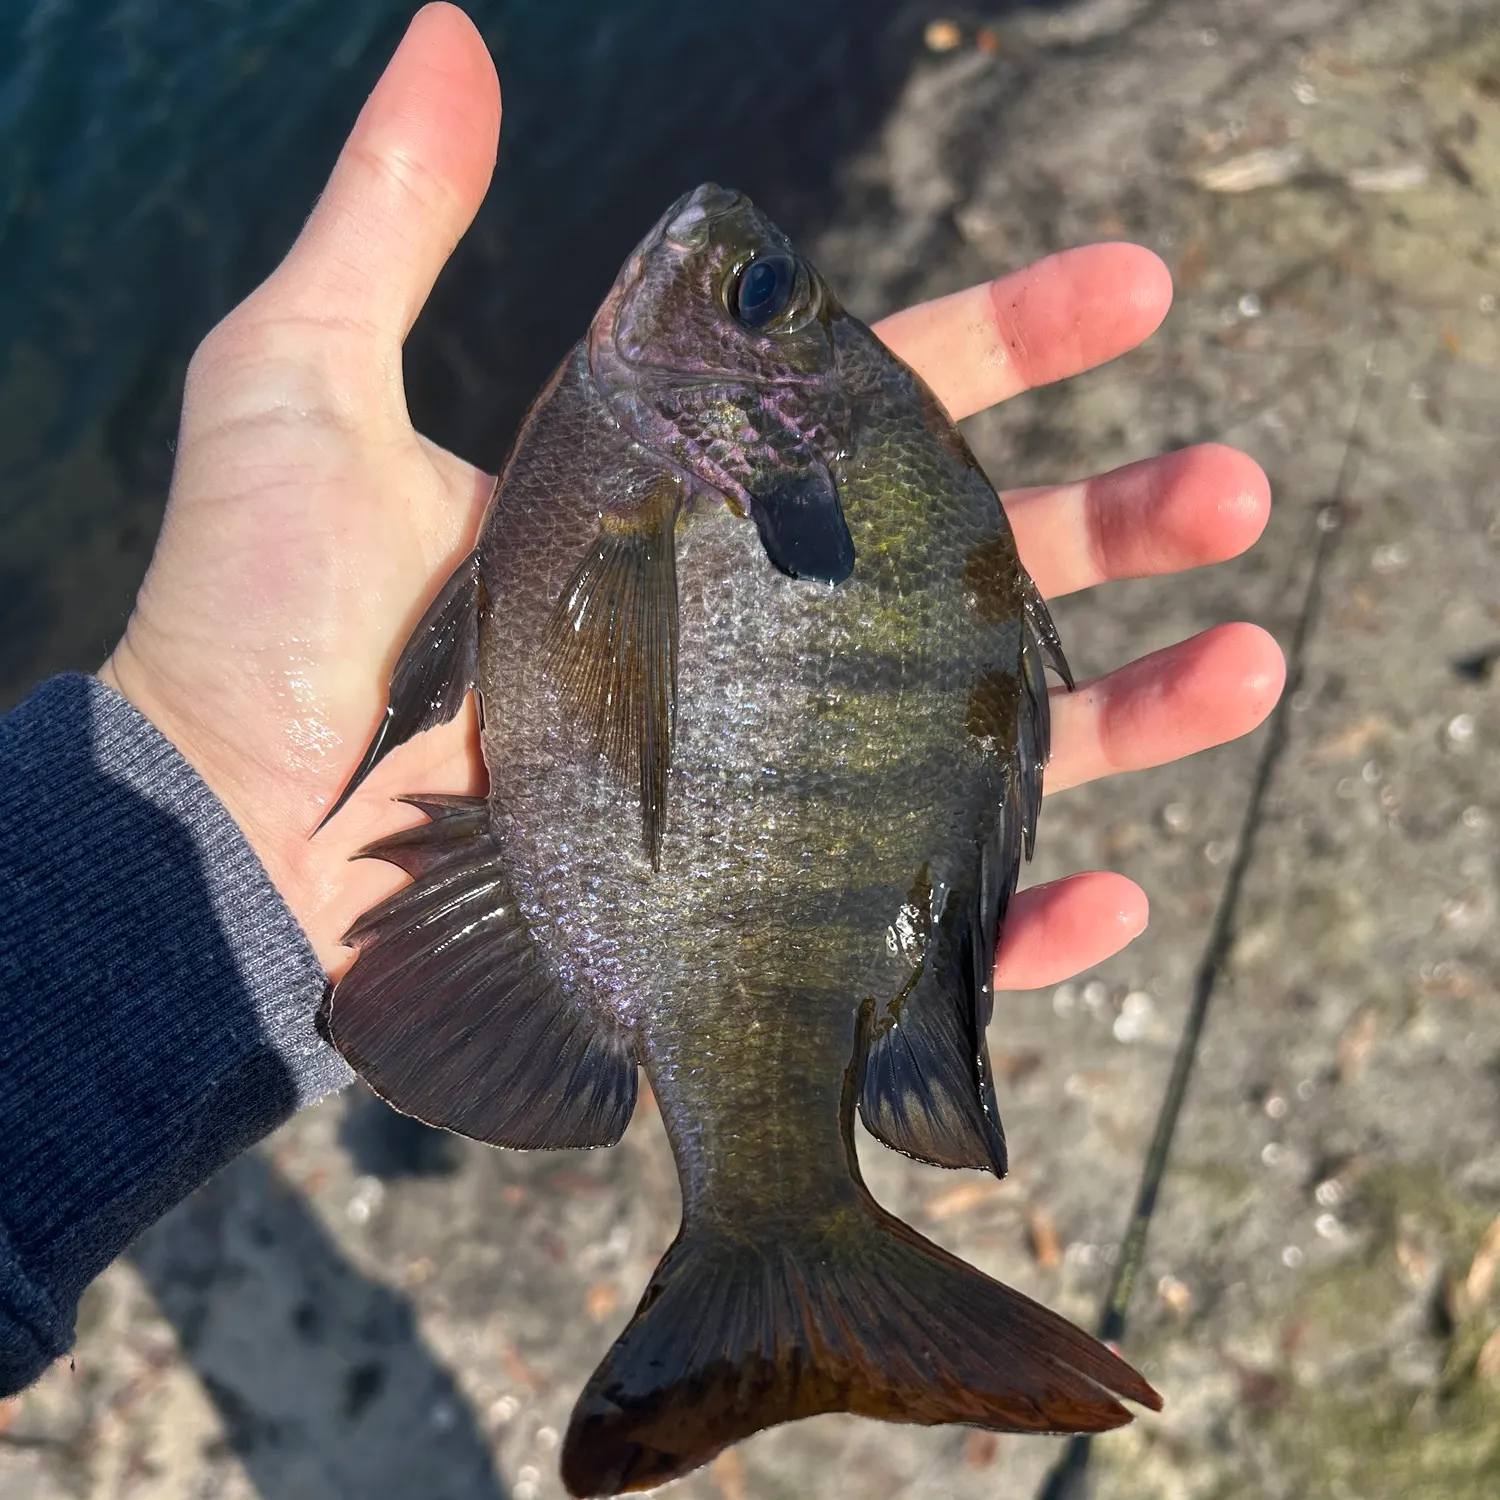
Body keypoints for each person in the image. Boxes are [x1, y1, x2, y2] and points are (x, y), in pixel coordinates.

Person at [0, 3, 1283, 1396]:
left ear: (776, 426)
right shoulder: (687, 477)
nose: (718, 253)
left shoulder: (694, 477)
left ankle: (783, 1244)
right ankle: (785, 1246)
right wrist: (216, 768)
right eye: (768, 296)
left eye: (756, 301)